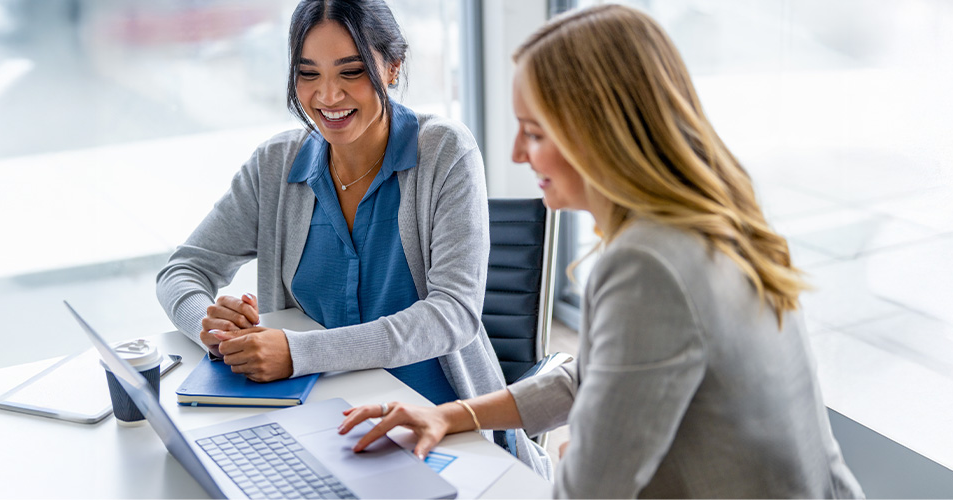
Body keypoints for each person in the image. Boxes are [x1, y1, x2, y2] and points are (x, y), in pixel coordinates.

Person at [338, 4, 865, 498]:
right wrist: (452, 416)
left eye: (534, 132)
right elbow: (591, 375)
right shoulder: (715, 218)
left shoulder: (648, 266)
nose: (518, 154)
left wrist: (572, 451)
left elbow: (589, 488)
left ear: (601, 134)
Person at [155, 0, 550, 476]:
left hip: (435, 426)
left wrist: (297, 353)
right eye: (308, 73)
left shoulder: (444, 151)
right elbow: (183, 270)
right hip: (316, 424)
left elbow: (453, 315)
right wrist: (214, 330)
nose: (327, 95)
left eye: (352, 71)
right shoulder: (276, 165)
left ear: (392, 67)